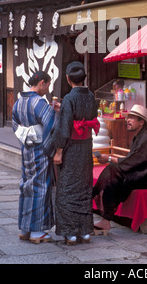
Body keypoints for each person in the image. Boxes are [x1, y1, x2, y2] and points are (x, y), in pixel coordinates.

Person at [93, 104, 147, 231]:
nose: (128, 121)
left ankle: (95, 197)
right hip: (139, 172)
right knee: (112, 173)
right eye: (128, 118)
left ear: (141, 122)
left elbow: (134, 161)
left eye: (132, 118)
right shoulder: (138, 136)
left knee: (113, 170)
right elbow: (132, 161)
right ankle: (103, 214)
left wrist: (109, 158)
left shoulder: (146, 138)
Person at [53, 61, 99, 245]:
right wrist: (63, 109)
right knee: (84, 187)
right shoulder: (91, 96)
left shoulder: (69, 98)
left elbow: (64, 128)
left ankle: (71, 232)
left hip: (71, 147)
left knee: (67, 188)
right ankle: (86, 231)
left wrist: (58, 151)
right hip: (86, 146)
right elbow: (89, 117)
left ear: (67, 78)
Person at [12, 71, 59, 244]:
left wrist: (26, 140)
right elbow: (50, 125)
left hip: (27, 149)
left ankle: (25, 228)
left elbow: (15, 126)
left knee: (26, 185)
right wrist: (50, 149)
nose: (47, 89)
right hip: (40, 149)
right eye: (47, 85)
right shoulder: (39, 102)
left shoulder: (18, 102)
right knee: (41, 187)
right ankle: (37, 231)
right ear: (42, 83)